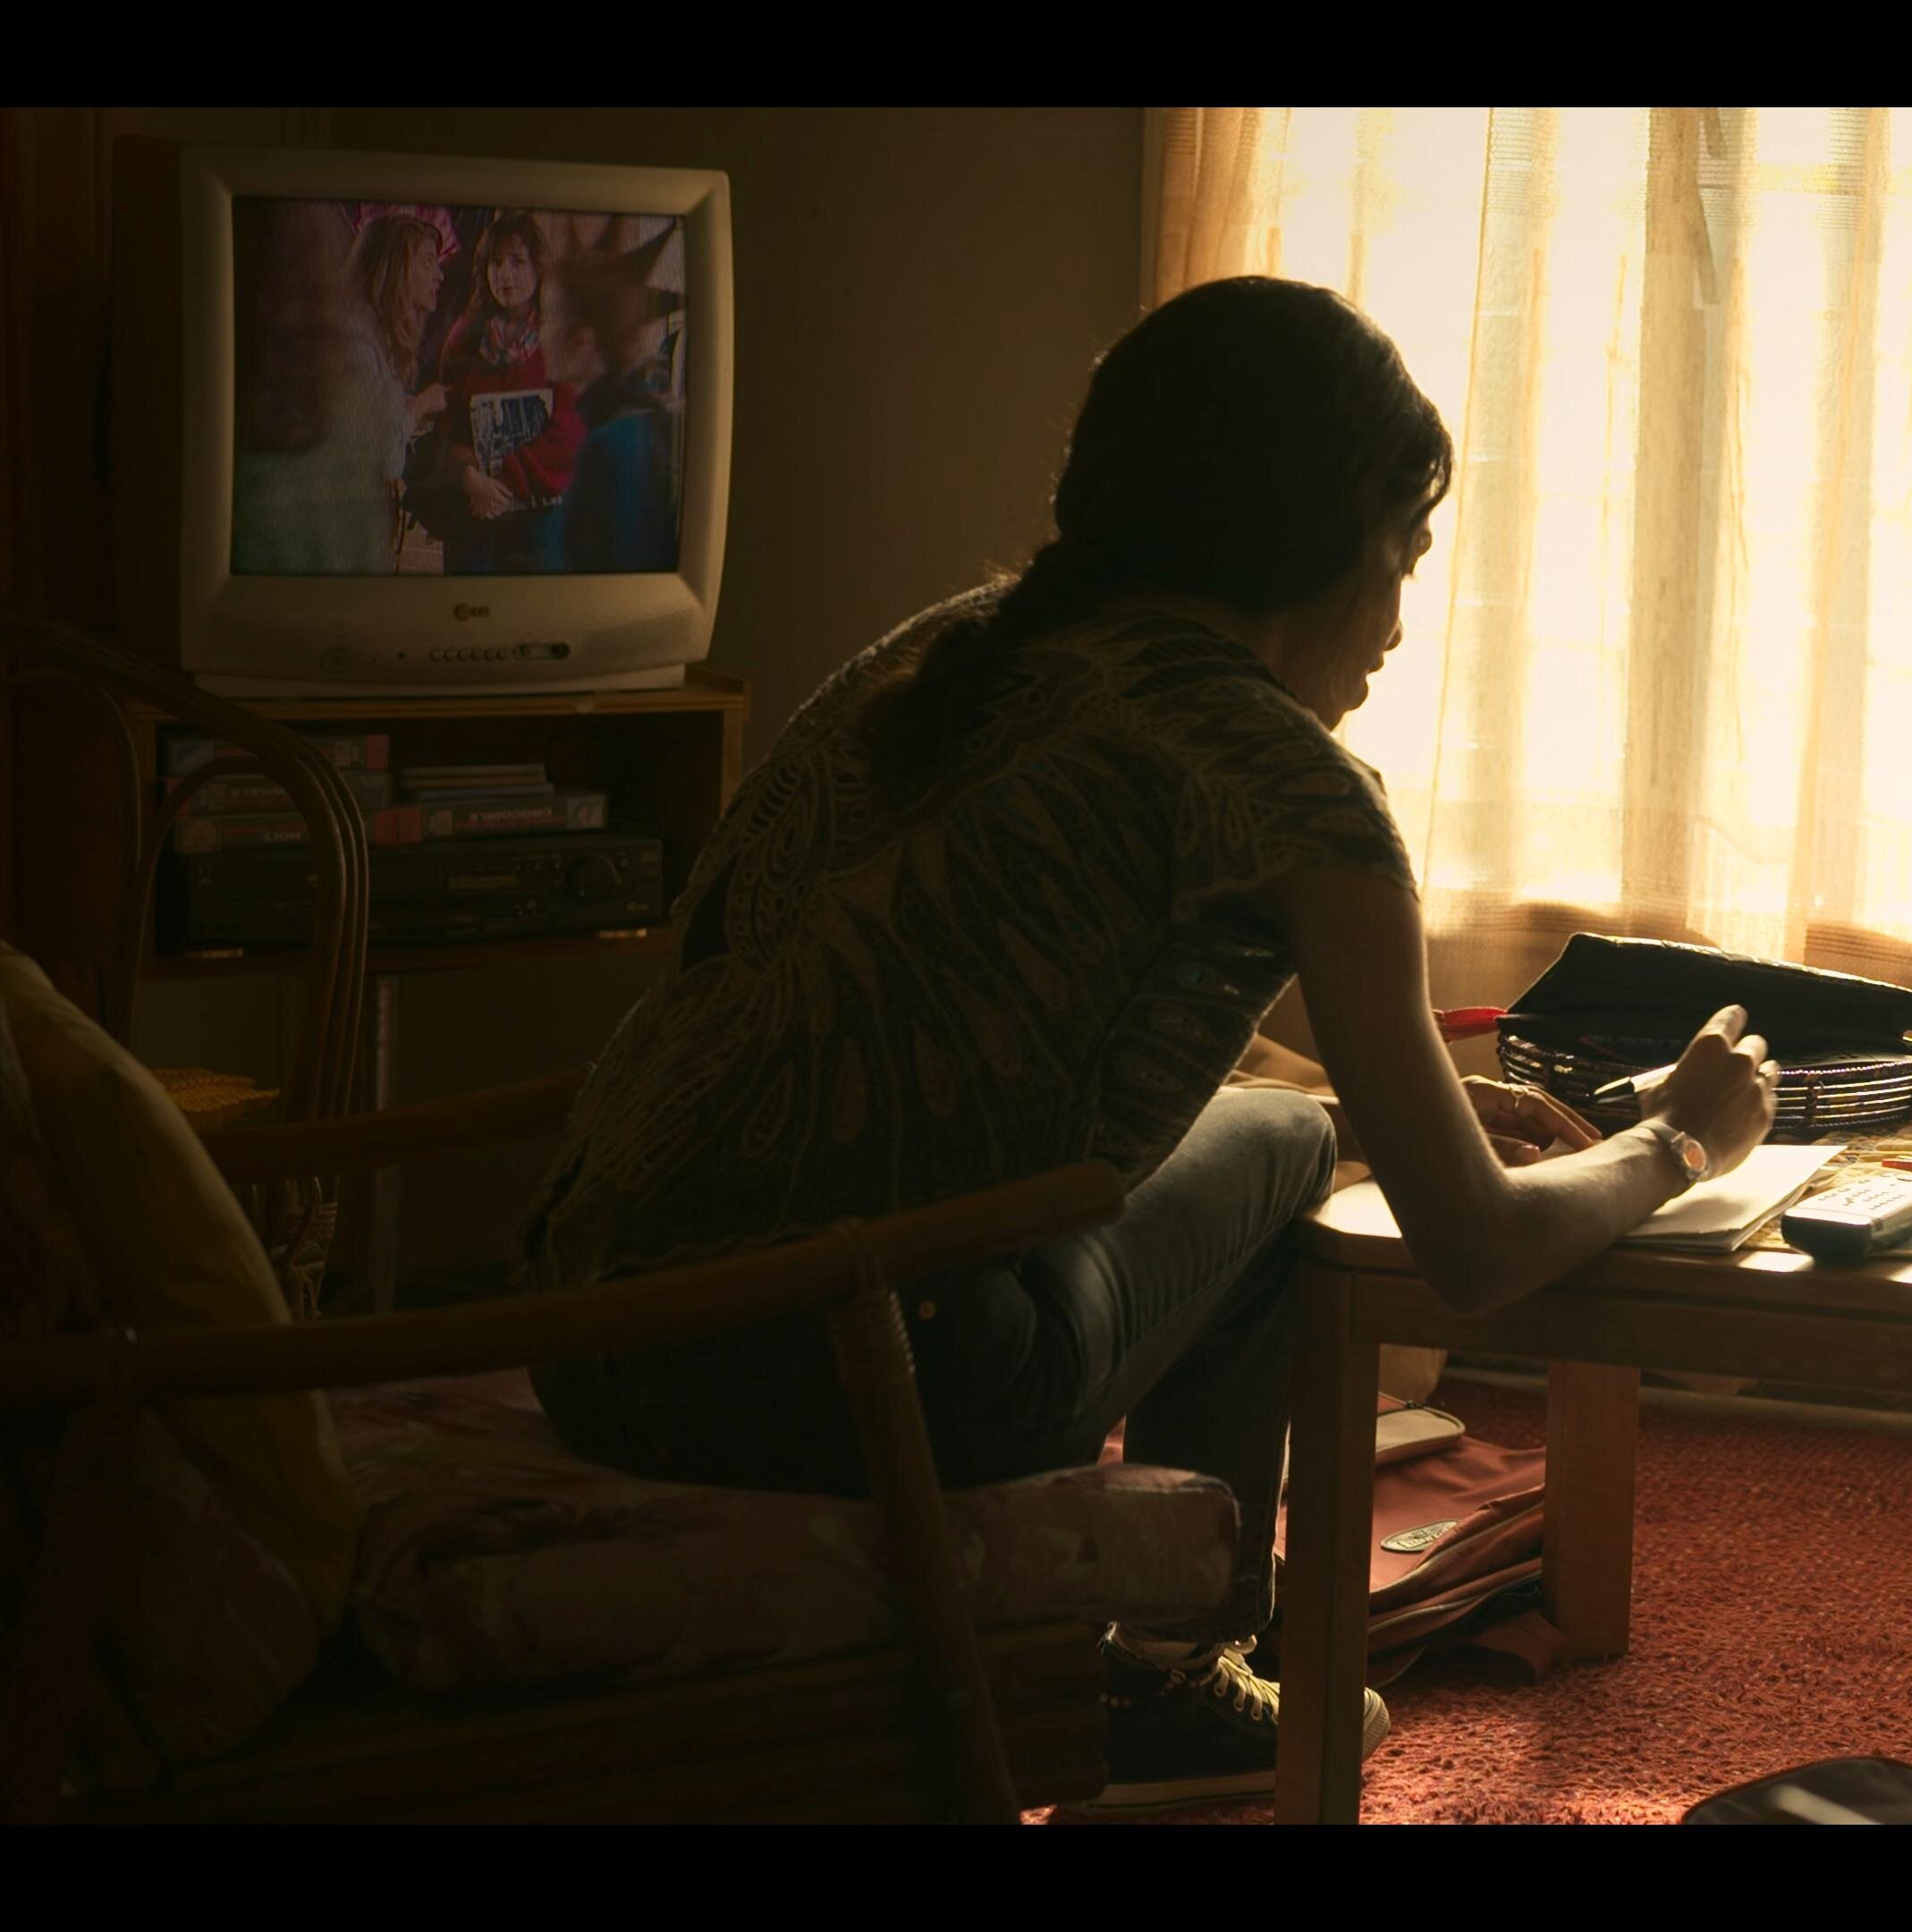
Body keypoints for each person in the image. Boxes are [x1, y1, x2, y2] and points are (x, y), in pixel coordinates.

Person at [518, 275, 1779, 1809]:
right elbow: (1475, 1248)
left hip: (589, 1339)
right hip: (861, 1382)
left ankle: (1171, 1660)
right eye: (1401, 559)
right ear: (1316, 541)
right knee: (1290, 1138)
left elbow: (989, 1020)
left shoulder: (947, 652)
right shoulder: (1291, 788)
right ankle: (1171, 1676)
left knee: (1294, 1123)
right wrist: (1682, 1137)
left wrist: (1405, 1110)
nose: (1398, 624)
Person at [229, 205, 441, 575]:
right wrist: (423, 404)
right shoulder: (357, 347)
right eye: (427, 263)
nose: (439, 275)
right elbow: (386, 456)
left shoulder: (374, 340)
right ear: (397, 270)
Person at [427, 210, 583, 572]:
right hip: (476, 502)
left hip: (542, 507)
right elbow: (448, 426)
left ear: (539, 268)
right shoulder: (464, 336)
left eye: (517, 261)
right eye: (495, 262)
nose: (505, 275)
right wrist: (469, 477)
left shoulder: (558, 335)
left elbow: (569, 431)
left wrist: (505, 477)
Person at [539, 242, 680, 572]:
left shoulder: (608, 445)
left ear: (582, 341)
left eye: (546, 318)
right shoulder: (639, 417)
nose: (539, 333)